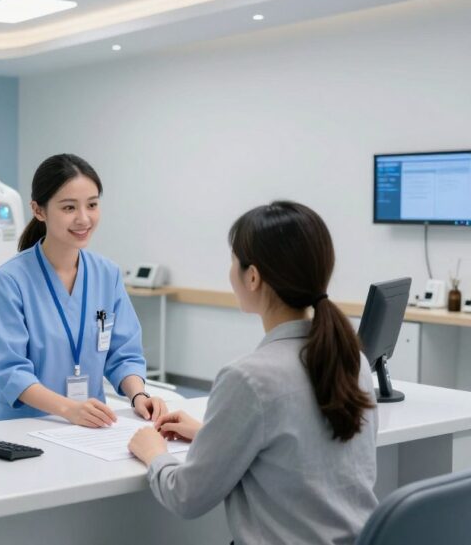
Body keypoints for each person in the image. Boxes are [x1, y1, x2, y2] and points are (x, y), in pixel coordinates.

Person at [128, 201, 378, 545]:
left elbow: (185, 497)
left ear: (253, 276)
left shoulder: (248, 378)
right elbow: (296, 452)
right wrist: (209, 435)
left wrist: (153, 451)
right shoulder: (354, 361)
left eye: (233, 261)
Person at [0, 154, 166, 426]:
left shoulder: (108, 274)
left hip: (89, 426)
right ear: (39, 210)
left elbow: (124, 353)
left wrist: (138, 395)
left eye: (92, 205)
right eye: (69, 208)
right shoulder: (10, 280)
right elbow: (11, 370)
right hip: (23, 426)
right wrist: (68, 409)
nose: (84, 219)